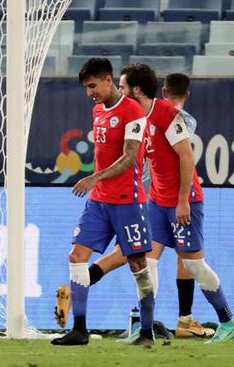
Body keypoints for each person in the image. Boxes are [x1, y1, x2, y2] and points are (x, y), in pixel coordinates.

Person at [55, 73, 213, 337]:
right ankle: (164, 321)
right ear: (187, 94)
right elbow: (179, 154)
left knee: (138, 256)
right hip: (154, 194)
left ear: (160, 91)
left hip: (146, 192)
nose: (119, 90)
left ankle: (156, 320)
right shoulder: (179, 120)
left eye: (122, 86)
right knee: (162, 258)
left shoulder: (139, 114)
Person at [116, 64, 234, 343]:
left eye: (122, 87)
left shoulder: (167, 114)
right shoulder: (138, 117)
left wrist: (183, 201)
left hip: (184, 202)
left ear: (136, 89)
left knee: (194, 265)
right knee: (147, 262)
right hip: (158, 202)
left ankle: (228, 321)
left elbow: (186, 157)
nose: (119, 92)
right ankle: (143, 326)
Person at [50, 58, 155, 347]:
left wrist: (94, 178)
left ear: (108, 80)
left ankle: (146, 331)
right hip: (99, 202)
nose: (89, 93)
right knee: (76, 256)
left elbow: (130, 156)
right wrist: (97, 183)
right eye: (86, 87)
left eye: (92, 86)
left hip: (127, 201)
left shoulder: (132, 111)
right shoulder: (97, 110)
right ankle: (79, 330)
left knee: (138, 264)